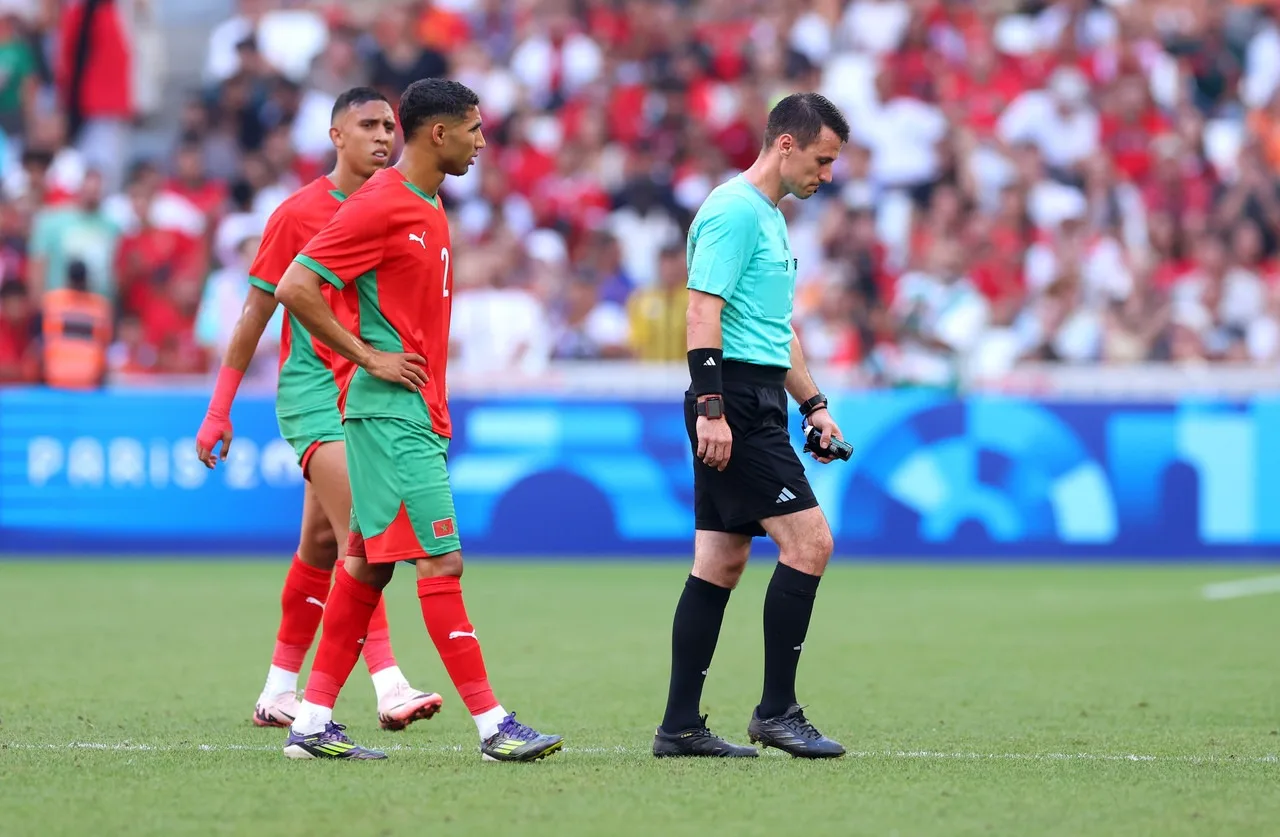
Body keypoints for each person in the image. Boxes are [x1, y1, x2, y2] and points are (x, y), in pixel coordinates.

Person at [273, 78, 563, 762]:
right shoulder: (381, 204)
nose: (483, 141)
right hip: (390, 415)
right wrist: (368, 356)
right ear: (439, 133)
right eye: (474, 128)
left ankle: (311, 722)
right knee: (441, 557)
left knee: (366, 565)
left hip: (413, 412)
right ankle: (494, 725)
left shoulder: (428, 204)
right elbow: (295, 286)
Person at [195, 87, 442, 733]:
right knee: (365, 531)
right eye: (367, 125)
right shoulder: (298, 212)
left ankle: (279, 690)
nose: (383, 135)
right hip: (314, 394)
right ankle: (389, 683)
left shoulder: (404, 205)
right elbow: (257, 315)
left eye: (390, 125)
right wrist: (219, 410)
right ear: (337, 136)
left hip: (372, 396)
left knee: (322, 541)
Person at [653, 92, 851, 759]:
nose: (825, 175)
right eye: (821, 160)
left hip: (757, 394)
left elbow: (775, 330)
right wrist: (712, 408)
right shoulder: (736, 212)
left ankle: (680, 725)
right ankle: (777, 711)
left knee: (720, 559)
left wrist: (813, 404)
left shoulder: (768, 217)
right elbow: (701, 312)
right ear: (786, 144)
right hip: (731, 399)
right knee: (810, 542)